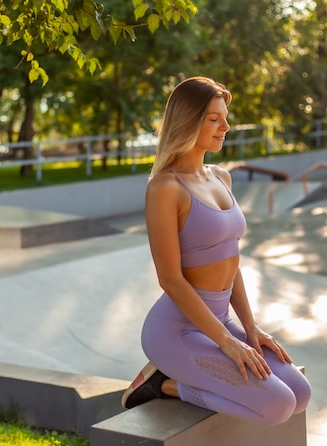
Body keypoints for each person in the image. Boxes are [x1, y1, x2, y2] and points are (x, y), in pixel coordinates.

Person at [121, 76, 311, 425]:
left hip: (221, 319)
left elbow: (229, 259)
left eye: (225, 116)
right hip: (176, 331)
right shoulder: (165, 187)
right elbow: (170, 280)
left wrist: (251, 328)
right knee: (279, 406)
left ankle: (179, 375)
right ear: (188, 120)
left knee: (300, 394)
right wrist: (227, 342)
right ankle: (165, 385)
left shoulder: (221, 177)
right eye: (214, 118)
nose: (226, 126)